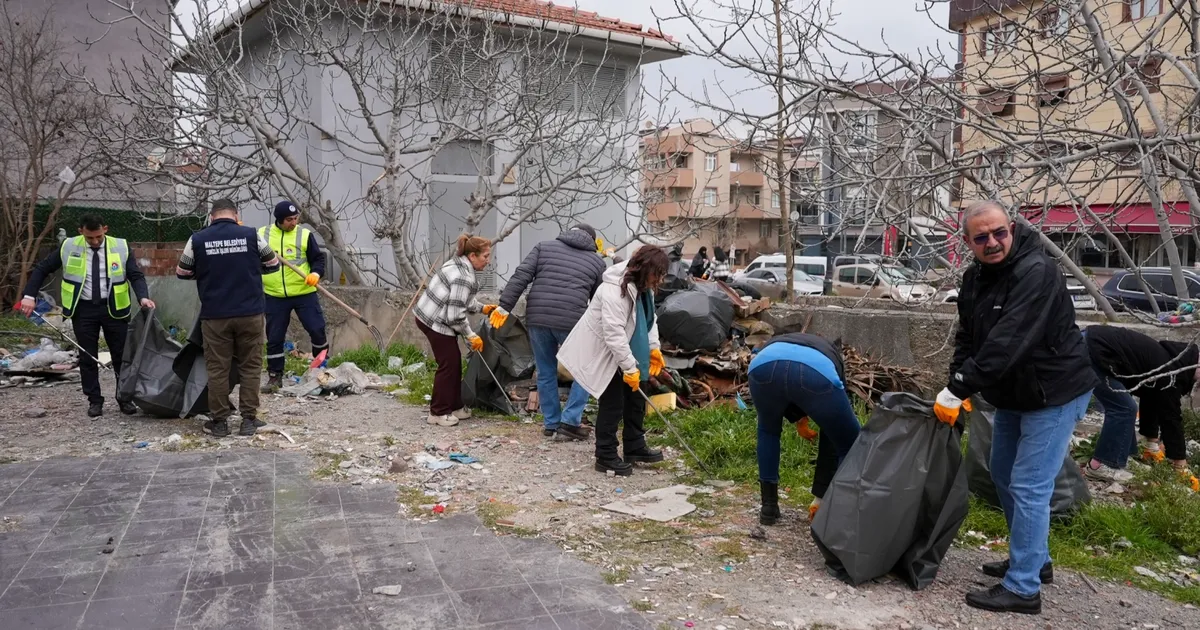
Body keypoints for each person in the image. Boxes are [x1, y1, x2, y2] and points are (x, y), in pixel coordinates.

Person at [935, 200, 1096, 615]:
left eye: (999, 232)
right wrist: (957, 384)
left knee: (1029, 485)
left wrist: (959, 389)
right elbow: (969, 339)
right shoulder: (974, 280)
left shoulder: (1036, 272)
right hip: (1015, 393)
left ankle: (1023, 588)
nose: (993, 242)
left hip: (1054, 392)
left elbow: (1008, 342)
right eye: (982, 237)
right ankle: (1035, 560)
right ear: (967, 242)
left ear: (1012, 228)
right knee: (1003, 473)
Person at [18, 214, 154, 418]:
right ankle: (94, 401)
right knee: (88, 357)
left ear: (105, 229)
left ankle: (124, 398)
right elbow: (42, 268)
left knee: (122, 357)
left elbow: (135, 275)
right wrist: (29, 296)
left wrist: (143, 297)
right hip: (83, 310)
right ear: (81, 231)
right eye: (90, 238)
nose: (95, 241)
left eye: (99, 236)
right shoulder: (69, 246)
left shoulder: (120, 246)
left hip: (114, 308)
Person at [558, 246, 668, 476]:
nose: (659, 279)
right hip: (606, 354)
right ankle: (605, 455)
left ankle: (635, 445)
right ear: (644, 268)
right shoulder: (613, 290)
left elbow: (650, 320)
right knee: (613, 404)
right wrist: (628, 367)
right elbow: (613, 334)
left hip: (631, 351)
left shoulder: (644, 288)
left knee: (636, 399)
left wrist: (654, 349)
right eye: (656, 273)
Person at [491, 224, 605, 440]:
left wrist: (504, 306)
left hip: (538, 317)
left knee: (545, 371)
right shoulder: (597, 262)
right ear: (591, 240)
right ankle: (570, 422)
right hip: (572, 320)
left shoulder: (543, 247)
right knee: (584, 371)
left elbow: (521, 275)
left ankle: (551, 424)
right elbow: (599, 299)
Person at [176, 199, 280, 437]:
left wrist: (206, 274)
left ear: (211, 216)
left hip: (215, 316)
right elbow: (273, 264)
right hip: (250, 313)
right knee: (251, 366)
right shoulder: (251, 235)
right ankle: (249, 420)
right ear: (236, 215)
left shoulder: (198, 239)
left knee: (218, 368)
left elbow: (182, 272)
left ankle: (220, 422)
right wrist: (252, 269)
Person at [749, 333, 861, 525]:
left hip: (762, 366)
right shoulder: (832, 356)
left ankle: (768, 507)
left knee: (768, 431)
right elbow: (832, 434)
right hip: (814, 373)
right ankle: (840, 515)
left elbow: (785, 379)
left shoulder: (785, 339)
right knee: (849, 442)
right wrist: (821, 493)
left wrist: (799, 419)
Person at [1080, 325, 1198, 487]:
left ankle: (1125, 456)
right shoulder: (1171, 374)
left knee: (1126, 404)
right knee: (1125, 408)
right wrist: (1180, 466)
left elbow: (1151, 399)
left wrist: (1151, 444)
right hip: (1093, 350)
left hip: (1091, 343)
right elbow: (1171, 419)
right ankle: (1101, 465)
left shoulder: (1170, 362)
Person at [414, 235, 496, 427]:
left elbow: (461, 299)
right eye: (486, 256)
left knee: (454, 363)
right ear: (473, 255)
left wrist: (483, 308)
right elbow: (455, 316)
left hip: (426, 313)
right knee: (448, 366)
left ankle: (456, 407)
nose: (488, 261)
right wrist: (471, 335)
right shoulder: (463, 276)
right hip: (435, 321)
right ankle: (438, 412)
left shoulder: (457, 263)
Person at [258, 201, 328, 392]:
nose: (294, 222)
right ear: (279, 219)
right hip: (274, 295)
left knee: (317, 329)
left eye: (296, 218)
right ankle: (275, 377)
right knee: (274, 337)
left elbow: (318, 259)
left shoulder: (304, 235)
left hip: (304, 292)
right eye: (289, 219)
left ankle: (321, 369)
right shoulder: (262, 235)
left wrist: (316, 273)